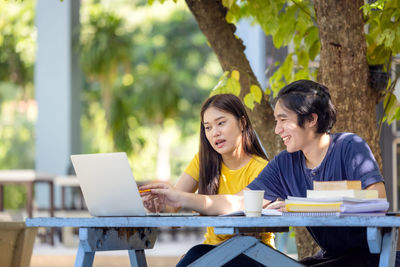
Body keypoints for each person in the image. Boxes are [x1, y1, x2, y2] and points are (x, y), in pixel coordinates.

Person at [141, 80, 391, 266]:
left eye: (283, 120)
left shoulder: (349, 146)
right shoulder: (285, 163)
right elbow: (239, 201)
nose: (276, 129)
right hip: (328, 259)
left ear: (311, 119)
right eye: (276, 121)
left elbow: (377, 199)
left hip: (369, 258)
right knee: (198, 256)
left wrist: (304, 204)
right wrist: (181, 198)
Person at [141, 93, 274, 266]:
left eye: (221, 123)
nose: (215, 133)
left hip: (255, 253)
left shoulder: (262, 168)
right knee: (194, 255)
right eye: (208, 127)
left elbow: (233, 205)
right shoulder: (203, 162)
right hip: (213, 252)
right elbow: (173, 205)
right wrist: (158, 206)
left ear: (242, 123)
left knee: (194, 257)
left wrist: (179, 197)